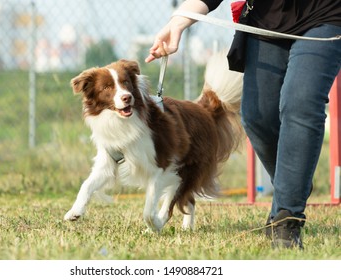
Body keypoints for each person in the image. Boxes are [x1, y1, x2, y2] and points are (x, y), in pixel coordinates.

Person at [145, 0, 341, 249]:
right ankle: (293, 181)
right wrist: (178, 22)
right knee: (256, 116)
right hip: (266, 20)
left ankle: (286, 219)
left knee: (300, 103)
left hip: (326, 15)